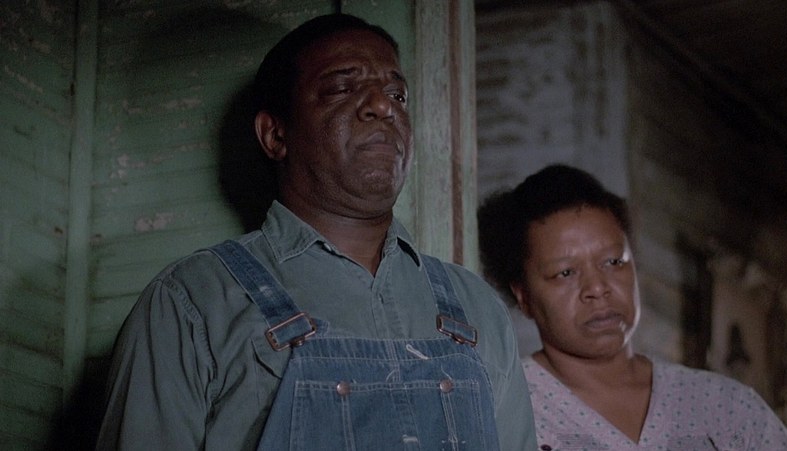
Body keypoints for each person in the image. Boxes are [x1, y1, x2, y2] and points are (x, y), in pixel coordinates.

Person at [96, 13, 535, 450]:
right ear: (275, 135)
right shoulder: (194, 302)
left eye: (397, 95)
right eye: (342, 88)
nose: (383, 106)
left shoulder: (477, 309)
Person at [477, 164, 787, 450]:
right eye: (565, 273)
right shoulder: (498, 412)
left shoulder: (727, 408)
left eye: (613, 261)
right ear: (524, 296)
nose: (597, 288)